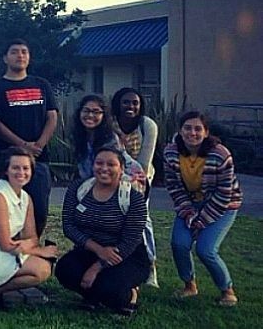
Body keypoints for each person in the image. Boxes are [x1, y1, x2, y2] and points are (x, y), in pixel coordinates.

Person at [56, 146, 149, 315]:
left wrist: (97, 267)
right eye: (99, 163)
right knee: (64, 269)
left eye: (111, 164)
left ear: (121, 169)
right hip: (90, 250)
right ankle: (93, 295)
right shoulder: (79, 189)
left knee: (110, 288)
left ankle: (130, 294)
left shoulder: (133, 198)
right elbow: (68, 226)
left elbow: (131, 240)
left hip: (125, 256)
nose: (104, 168)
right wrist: (98, 250)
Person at [164, 111, 241, 306]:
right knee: (179, 243)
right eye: (187, 128)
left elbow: (224, 193)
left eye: (198, 129)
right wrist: (189, 213)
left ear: (206, 132)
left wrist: (202, 220)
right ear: (180, 131)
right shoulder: (171, 152)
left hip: (223, 205)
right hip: (190, 204)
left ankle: (227, 290)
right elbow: (173, 186)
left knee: (206, 249)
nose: (192, 133)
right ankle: (189, 286)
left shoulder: (220, 154)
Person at [0, 148, 56, 309]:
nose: (21, 172)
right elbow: (5, 244)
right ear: (6, 170)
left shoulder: (26, 197)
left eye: (26, 168)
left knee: (43, 266)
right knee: (41, 268)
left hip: (6, 250)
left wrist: (25, 246)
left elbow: (32, 237)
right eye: (15, 168)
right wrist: (37, 251)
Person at [0, 39, 58, 237]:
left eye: (24, 52)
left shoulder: (41, 84)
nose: (20, 55)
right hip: (5, 158)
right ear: (5, 58)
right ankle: (10, 249)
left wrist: (38, 145)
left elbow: (52, 116)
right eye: (14, 52)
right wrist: (22, 145)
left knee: (39, 207)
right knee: (8, 206)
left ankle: (31, 246)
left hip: (38, 158)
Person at [112, 87, 161, 287]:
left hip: (141, 176)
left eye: (135, 103)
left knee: (142, 221)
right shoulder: (111, 124)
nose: (130, 106)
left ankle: (150, 267)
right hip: (117, 176)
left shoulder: (147, 125)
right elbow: (114, 155)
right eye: (126, 102)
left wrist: (136, 183)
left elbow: (145, 161)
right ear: (118, 104)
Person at [72, 95, 118, 180]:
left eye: (96, 112)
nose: (90, 115)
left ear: (104, 115)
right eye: (86, 110)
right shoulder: (80, 136)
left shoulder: (110, 139)